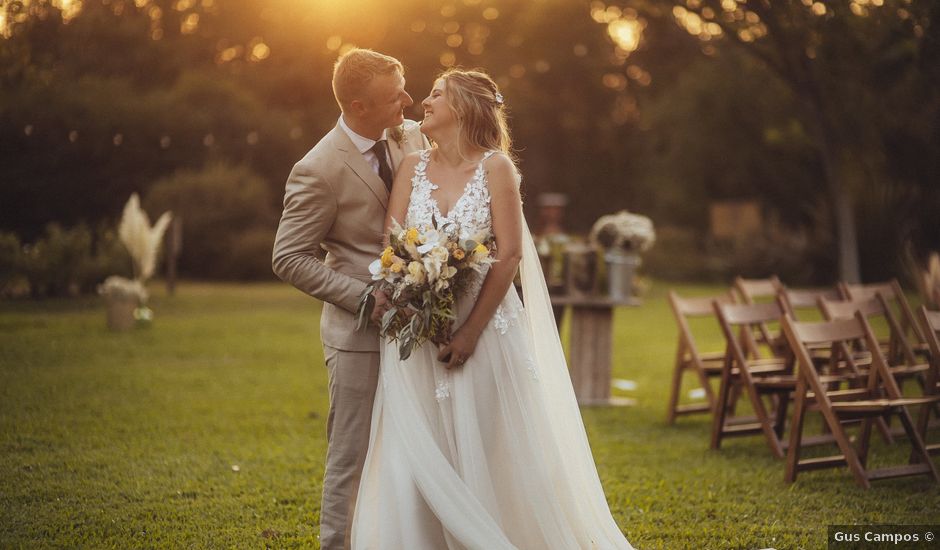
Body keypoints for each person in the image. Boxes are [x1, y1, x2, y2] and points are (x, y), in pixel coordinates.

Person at [350, 69, 634, 549]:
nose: (425, 100)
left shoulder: (496, 168)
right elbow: (392, 246)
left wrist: (468, 333)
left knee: (488, 447)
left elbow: (510, 255)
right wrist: (415, 302)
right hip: (416, 338)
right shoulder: (411, 167)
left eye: (437, 94)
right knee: (412, 450)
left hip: (485, 333)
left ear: (461, 107)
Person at [271, 48, 429, 550]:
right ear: (358, 107)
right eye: (393, 95)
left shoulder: (411, 136)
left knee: (419, 448)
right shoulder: (317, 168)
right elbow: (289, 257)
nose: (408, 99)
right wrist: (366, 297)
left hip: (419, 328)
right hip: (357, 334)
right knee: (351, 456)